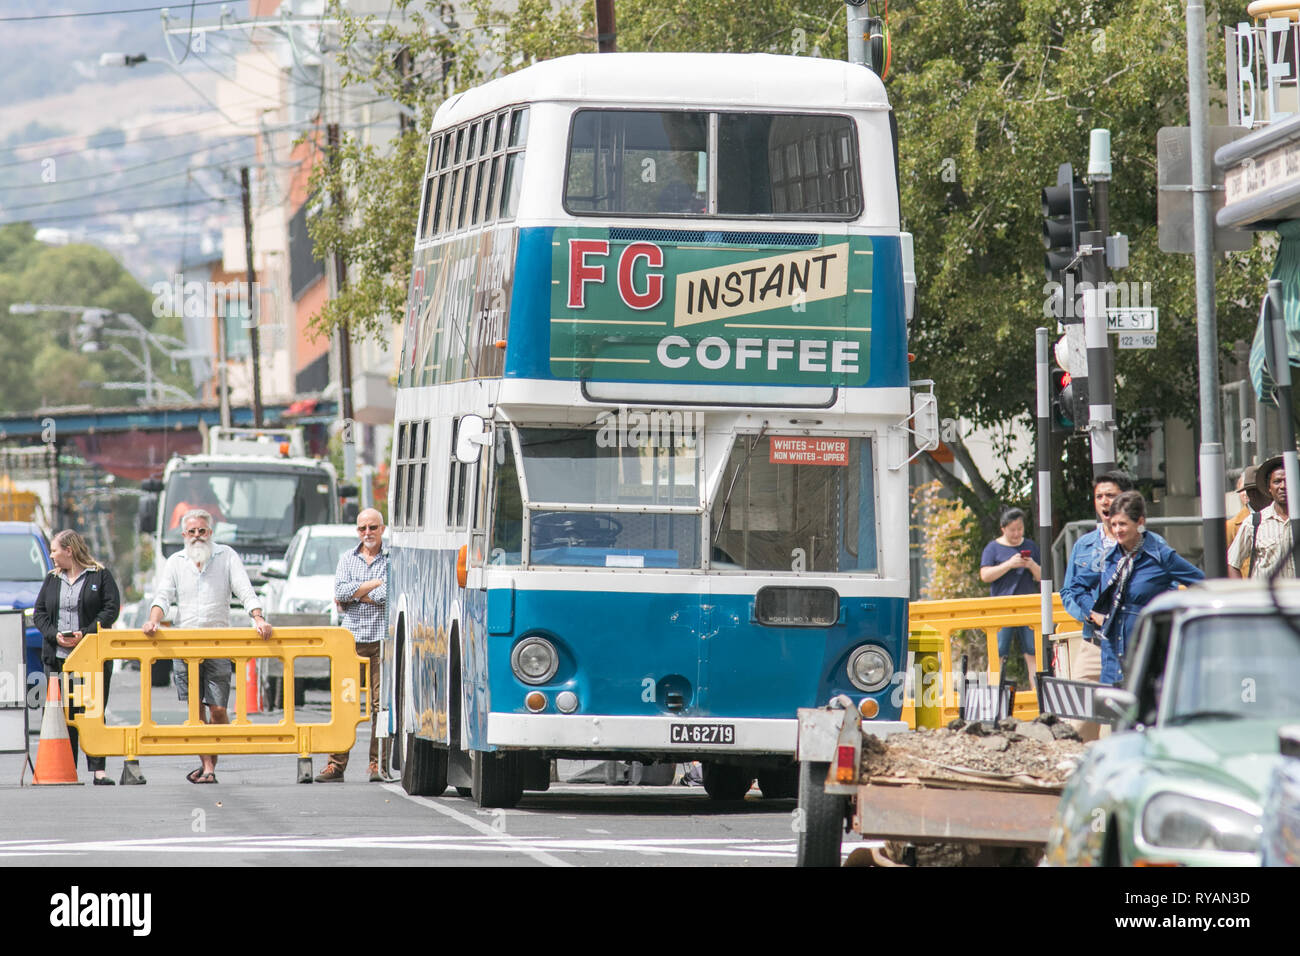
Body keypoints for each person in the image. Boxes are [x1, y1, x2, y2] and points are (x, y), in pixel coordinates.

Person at [144, 509, 271, 783]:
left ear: (210, 533)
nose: (197, 536)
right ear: (184, 535)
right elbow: (164, 596)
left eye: (202, 531)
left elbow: (245, 590)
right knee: (195, 712)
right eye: (192, 532)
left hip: (217, 643)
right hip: (184, 644)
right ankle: (209, 768)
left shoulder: (226, 556)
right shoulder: (176, 561)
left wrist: (258, 618)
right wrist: (153, 621)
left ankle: (211, 760)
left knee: (218, 710)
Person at [32, 530, 121, 785]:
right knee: (62, 712)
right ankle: (66, 766)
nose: (52, 555)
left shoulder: (99, 575)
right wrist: (55, 635)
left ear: (69, 551)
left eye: (54, 550)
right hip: (58, 657)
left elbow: (110, 609)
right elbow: (39, 613)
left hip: (90, 656)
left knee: (92, 710)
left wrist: (85, 633)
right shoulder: (52, 579)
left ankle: (98, 770)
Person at [1090, 491, 1204, 685]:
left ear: (1140, 522)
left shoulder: (1160, 555)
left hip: (1147, 652)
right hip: (1112, 655)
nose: (1117, 530)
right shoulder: (1111, 559)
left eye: (1123, 524)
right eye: (1114, 524)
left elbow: (1202, 584)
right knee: (1113, 713)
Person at [315, 508, 389, 783]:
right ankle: (336, 766)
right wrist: (372, 585)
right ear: (357, 531)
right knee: (345, 704)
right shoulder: (347, 558)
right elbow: (340, 593)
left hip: (381, 641)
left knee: (380, 707)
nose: (367, 533)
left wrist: (356, 594)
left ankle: (377, 765)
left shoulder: (393, 558)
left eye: (372, 527)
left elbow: (387, 594)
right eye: (362, 528)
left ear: (382, 528)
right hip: (350, 641)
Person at [979, 507, 1041, 685]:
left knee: (1033, 652)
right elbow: (985, 575)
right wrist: (1009, 564)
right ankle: (990, 700)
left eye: (1019, 529)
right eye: (1012, 530)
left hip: (1028, 605)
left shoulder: (1030, 546)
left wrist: (1030, 565)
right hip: (1001, 607)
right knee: (997, 652)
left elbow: (1042, 577)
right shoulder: (992, 548)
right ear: (1003, 529)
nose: (1016, 533)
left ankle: (1038, 699)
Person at [1229, 455, 1296, 580]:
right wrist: (1245, 595)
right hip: (1267, 598)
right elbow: (1233, 564)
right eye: (1277, 481)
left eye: (1288, 481)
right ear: (1269, 488)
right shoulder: (1254, 523)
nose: (1283, 486)